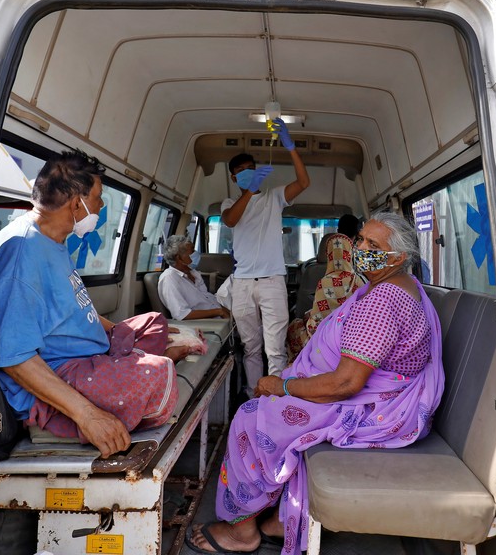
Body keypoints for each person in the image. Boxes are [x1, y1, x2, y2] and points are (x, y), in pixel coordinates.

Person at [186, 212, 444, 555]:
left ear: (397, 258)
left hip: (377, 409)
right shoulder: (390, 285)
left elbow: (346, 384)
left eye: (373, 244)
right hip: (384, 397)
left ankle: (242, 529)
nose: (360, 248)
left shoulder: (383, 300)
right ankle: (280, 519)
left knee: (251, 415)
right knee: (272, 405)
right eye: (361, 239)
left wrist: (284, 387)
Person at [0, 150, 183, 458]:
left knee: (153, 323)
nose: (101, 205)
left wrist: (120, 331)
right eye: (97, 197)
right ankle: (100, 387)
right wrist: (87, 414)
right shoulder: (21, 258)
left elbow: (72, 307)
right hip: (61, 371)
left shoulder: (52, 241)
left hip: (87, 354)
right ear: (75, 204)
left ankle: (124, 360)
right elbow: (13, 357)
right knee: (159, 375)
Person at [221, 118, 310, 395]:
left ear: (257, 171)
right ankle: (252, 396)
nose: (247, 174)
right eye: (241, 172)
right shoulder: (229, 203)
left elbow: (304, 182)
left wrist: (290, 146)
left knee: (275, 348)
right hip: (243, 284)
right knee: (251, 347)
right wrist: (248, 191)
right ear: (234, 178)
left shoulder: (274, 196)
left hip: (272, 281)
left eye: (251, 170)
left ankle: (275, 400)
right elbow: (231, 220)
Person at [284, 233, 363, 362]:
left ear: (328, 254)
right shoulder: (359, 281)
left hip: (322, 338)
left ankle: (296, 363)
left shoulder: (325, 282)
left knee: (294, 327)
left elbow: (317, 320)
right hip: (351, 338)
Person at [159, 234, 231, 320]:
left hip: (220, 318)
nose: (196, 253)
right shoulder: (169, 279)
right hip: (206, 324)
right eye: (192, 251)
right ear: (178, 258)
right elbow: (182, 314)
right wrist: (219, 312)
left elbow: (208, 299)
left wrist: (228, 313)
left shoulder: (193, 273)